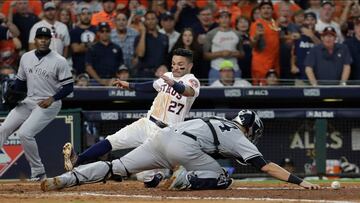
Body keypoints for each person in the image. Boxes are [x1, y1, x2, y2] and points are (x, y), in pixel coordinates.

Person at [41, 110, 320, 191]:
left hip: (163, 137)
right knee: (224, 177)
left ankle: (66, 179)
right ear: (251, 128)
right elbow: (266, 167)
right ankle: (185, 179)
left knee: (117, 168)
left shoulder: (217, 119)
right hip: (183, 148)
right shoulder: (239, 135)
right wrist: (300, 181)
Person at [61, 48, 200, 188]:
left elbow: (188, 91)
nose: (176, 67)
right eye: (174, 63)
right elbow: (150, 86)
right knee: (112, 140)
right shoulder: (168, 75)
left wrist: (173, 84)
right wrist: (128, 85)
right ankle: (77, 159)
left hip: (165, 133)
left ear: (189, 66)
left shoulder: (191, 80)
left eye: (180, 64)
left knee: (143, 176)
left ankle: (158, 175)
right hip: (147, 123)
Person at [0, 27, 74, 181]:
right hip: (29, 100)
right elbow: (20, 83)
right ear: (35, 40)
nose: (43, 40)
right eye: (40, 37)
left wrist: (53, 98)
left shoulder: (59, 61)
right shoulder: (26, 57)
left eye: (46, 38)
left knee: (25, 133)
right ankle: (38, 172)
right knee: (3, 129)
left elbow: (69, 88)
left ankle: (38, 172)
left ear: (50, 40)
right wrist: (12, 95)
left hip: (49, 103)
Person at [203, 8, 244, 84]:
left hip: (234, 69)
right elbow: (205, 55)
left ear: (230, 19)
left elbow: (242, 53)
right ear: (217, 20)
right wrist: (220, 53)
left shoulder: (237, 34)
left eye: (226, 17)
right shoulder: (211, 34)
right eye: (221, 17)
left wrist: (232, 53)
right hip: (216, 69)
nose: (224, 20)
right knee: (214, 95)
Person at [249, 0, 280, 85]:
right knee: (261, 90)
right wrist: (257, 36)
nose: (266, 10)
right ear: (260, 11)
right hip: (261, 63)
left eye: (268, 8)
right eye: (263, 8)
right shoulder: (257, 24)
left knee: (274, 89)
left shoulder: (274, 23)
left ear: (272, 10)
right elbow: (252, 44)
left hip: (274, 61)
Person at [85, 22, 124, 86]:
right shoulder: (92, 48)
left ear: (110, 32)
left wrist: (115, 79)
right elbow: (88, 67)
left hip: (114, 81)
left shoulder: (117, 48)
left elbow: (121, 66)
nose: (105, 33)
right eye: (102, 31)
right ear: (98, 33)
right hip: (96, 81)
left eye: (107, 31)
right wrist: (100, 81)